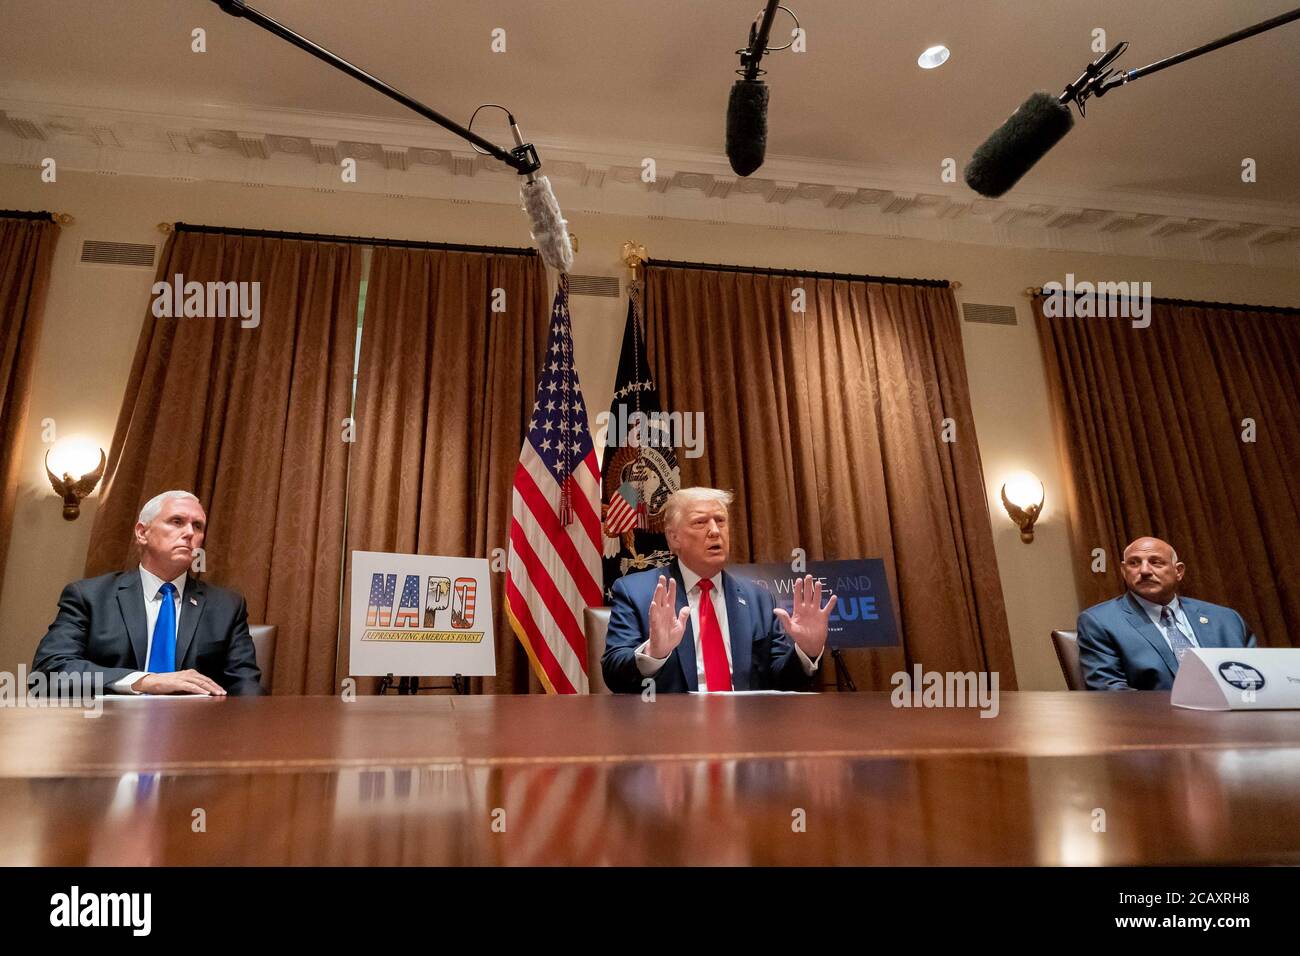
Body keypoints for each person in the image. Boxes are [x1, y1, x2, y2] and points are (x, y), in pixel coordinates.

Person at [602, 487, 835, 693]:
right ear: (674, 539)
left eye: (720, 521)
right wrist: (653, 653)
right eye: (700, 522)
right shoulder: (637, 592)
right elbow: (614, 674)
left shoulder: (759, 599)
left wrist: (807, 651)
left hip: (746, 729)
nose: (714, 531)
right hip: (672, 731)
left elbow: (781, 682)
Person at [32, 490, 264, 696]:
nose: (189, 533)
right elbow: (50, 671)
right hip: (105, 731)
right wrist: (145, 681)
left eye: (198, 526)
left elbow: (245, 685)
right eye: (177, 521)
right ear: (142, 532)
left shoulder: (227, 606)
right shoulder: (89, 597)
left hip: (197, 734)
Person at [1076, 536, 1256, 691]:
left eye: (1155, 562)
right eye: (1134, 563)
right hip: (1157, 726)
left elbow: (1259, 677)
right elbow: (1111, 692)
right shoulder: (1100, 621)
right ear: (1124, 572)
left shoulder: (1226, 619)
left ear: (1178, 571)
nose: (1144, 571)